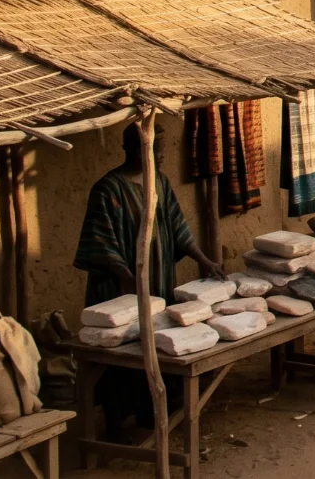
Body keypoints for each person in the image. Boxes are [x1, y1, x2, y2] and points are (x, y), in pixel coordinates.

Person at [75, 123, 224, 433]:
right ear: (134, 149)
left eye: (161, 149)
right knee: (121, 355)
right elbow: (101, 242)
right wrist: (128, 280)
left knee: (157, 349)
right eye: (155, 149)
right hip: (118, 293)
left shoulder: (160, 182)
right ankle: (116, 423)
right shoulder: (107, 190)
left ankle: (152, 415)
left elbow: (179, 228)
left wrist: (205, 261)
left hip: (156, 286)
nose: (161, 155)